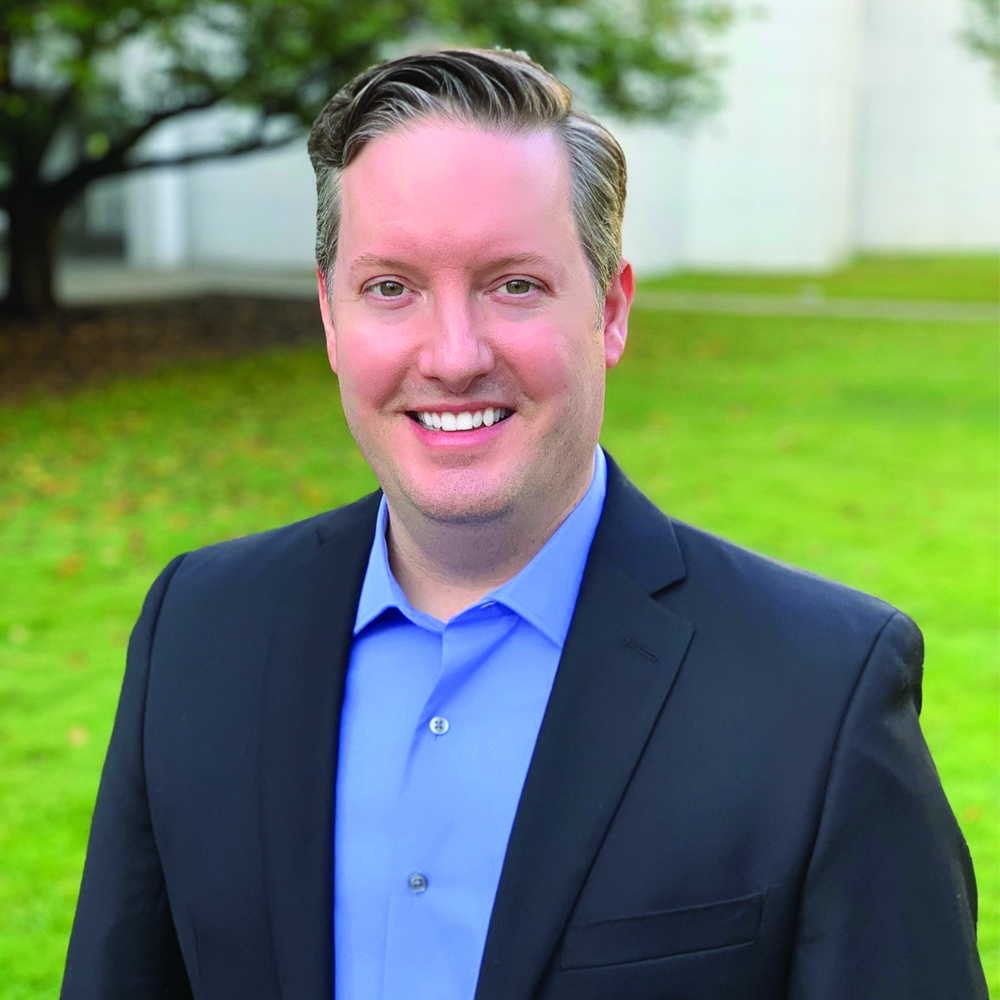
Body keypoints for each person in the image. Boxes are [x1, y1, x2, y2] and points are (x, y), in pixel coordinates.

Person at [61, 47, 986, 1000]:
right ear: (332, 321)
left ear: (612, 312)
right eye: (391, 288)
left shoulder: (820, 692)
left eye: (514, 285)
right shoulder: (197, 631)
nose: (454, 356)